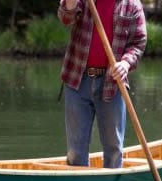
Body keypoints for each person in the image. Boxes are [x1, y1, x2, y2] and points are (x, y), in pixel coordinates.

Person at [57, 0, 147, 168]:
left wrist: (126, 64)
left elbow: (138, 43)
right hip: (78, 79)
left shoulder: (132, 5)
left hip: (112, 83)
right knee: (76, 151)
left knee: (114, 149)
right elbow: (65, 18)